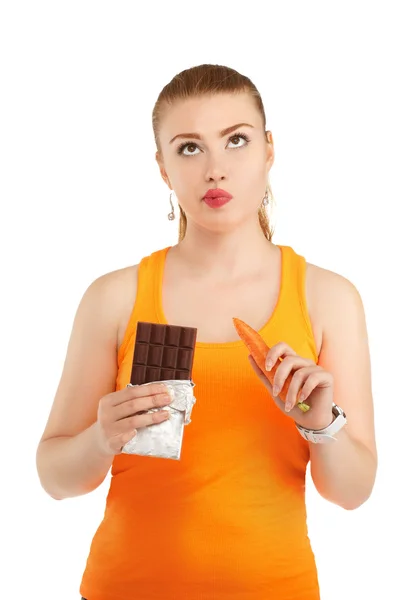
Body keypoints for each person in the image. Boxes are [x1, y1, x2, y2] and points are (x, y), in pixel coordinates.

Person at [36, 64, 377, 600]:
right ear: (163, 168)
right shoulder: (115, 297)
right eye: (189, 148)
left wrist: (321, 425)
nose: (215, 170)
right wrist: (102, 436)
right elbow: (56, 478)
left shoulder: (328, 297)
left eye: (236, 141)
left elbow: (353, 493)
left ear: (268, 150)